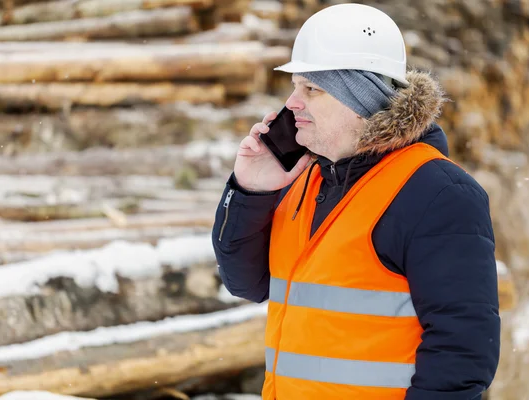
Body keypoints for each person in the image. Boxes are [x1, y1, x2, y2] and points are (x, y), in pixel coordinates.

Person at [211, 3, 500, 400]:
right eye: (295, 86)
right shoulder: (306, 178)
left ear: (362, 100)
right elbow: (246, 283)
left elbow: (463, 351)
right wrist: (251, 191)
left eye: (312, 89)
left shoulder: (439, 194)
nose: (292, 103)